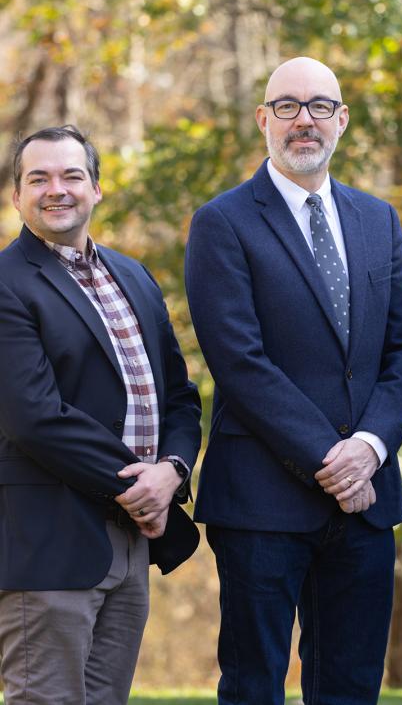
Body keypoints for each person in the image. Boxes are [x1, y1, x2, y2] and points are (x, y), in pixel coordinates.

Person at [184, 56, 402, 705]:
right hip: (261, 499)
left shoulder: (378, 220)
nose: (304, 120)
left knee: (351, 688)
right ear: (262, 119)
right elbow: (239, 362)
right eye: (287, 106)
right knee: (254, 686)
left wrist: (369, 448)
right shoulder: (223, 222)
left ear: (341, 120)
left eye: (319, 106)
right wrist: (331, 460)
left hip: (365, 502)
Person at [0, 125, 201, 705]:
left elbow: (180, 396)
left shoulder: (133, 276)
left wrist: (172, 471)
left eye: (71, 176)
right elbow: (34, 416)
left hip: (132, 541)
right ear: (17, 195)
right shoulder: (7, 283)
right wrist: (137, 487)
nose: (56, 190)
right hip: (49, 540)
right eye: (39, 178)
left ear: (96, 189)